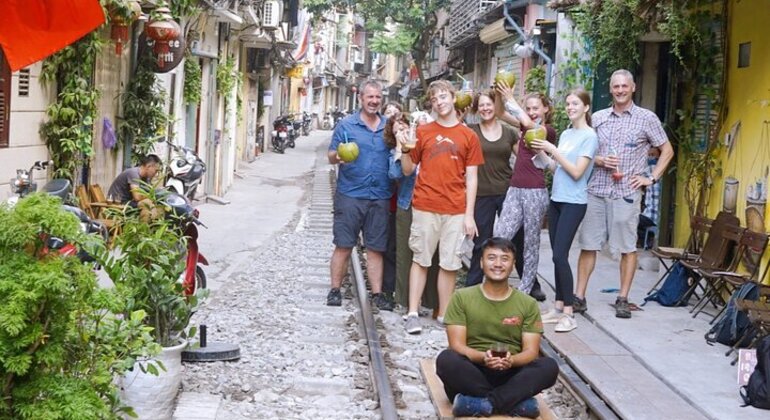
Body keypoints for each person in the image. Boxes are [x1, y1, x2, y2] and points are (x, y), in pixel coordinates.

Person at [575, 69, 674, 319]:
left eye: (624, 86)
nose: (620, 90)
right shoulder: (597, 118)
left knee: (627, 247)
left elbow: (667, 150)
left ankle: (623, 297)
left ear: (633, 88)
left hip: (626, 192)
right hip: (596, 189)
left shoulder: (646, 118)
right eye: (616, 86)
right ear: (610, 89)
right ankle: (579, 297)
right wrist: (598, 160)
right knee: (588, 244)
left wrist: (651, 178)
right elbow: (582, 148)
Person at [436, 237, 558, 418]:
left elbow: (531, 351)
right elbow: (457, 345)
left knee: (549, 366)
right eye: (491, 258)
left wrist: (512, 361)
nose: (498, 264)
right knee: (446, 360)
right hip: (473, 373)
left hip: (511, 373)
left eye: (505, 259)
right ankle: (515, 404)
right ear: (481, 262)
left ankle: (479, 404)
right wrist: (483, 358)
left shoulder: (528, 303)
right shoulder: (462, 297)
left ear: (513, 264)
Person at [399, 80, 484, 334]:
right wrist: (405, 148)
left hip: (456, 209)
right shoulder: (423, 132)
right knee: (421, 258)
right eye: (435, 99)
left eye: (443, 96)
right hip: (425, 204)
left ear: (453, 97)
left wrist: (470, 216)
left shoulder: (469, 135)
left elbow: (472, 177)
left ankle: (444, 314)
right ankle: (413, 312)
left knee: (450, 263)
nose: (440, 102)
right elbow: (407, 169)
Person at [530, 89, 598, 333]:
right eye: (568, 104)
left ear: (586, 107)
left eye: (575, 103)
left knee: (560, 255)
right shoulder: (568, 133)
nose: (570, 107)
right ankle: (558, 306)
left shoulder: (590, 136)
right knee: (557, 256)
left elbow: (578, 171)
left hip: (574, 202)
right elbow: (555, 168)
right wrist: (541, 152)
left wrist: (552, 148)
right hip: (557, 198)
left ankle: (569, 312)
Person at [326, 80, 394, 311]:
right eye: (370, 97)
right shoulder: (346, 125)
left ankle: (377, 294)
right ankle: (335, 289)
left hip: (380, 195)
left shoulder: (388, 126)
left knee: (376, 248)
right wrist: (338, 158)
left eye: (378, 97)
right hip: (351, 194)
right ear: (361, 99)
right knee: (344, 244)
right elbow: (331, 154)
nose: (374, 101)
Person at [493, 88, 556, 302]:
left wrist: (512, 99)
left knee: (530, 242)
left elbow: (530, 125)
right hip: (515, 189)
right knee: (500, 236)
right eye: (528, 108)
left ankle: (526, 288)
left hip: (535, 192)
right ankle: (495, 281)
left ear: (546, 109)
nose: (531, 112)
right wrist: (499, 96)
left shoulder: (547, 130)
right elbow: (500, 114)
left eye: (535, 108)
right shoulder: (523, 122)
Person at [385, 112, 440, 311]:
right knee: (405, 255)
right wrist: (401, 149)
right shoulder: (396, 151)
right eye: (397, 130)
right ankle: (404, 300)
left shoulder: (425, 142)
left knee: (432, 256)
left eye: (404, 127)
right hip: (407, 204)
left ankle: (431, 301)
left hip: (431, 203)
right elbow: (394, 174)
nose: (402, 131)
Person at [465, 90, 518, 287]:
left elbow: (523, 160)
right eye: (482, 105)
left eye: (490, 104)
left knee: (513, 239)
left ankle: (530, 285)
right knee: (481, 243)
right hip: (481, 194)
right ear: (477, 109)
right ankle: (472, 285)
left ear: (497, 107)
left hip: (507, 192)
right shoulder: (471, 131)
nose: (486, 108)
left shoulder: (509, 132)